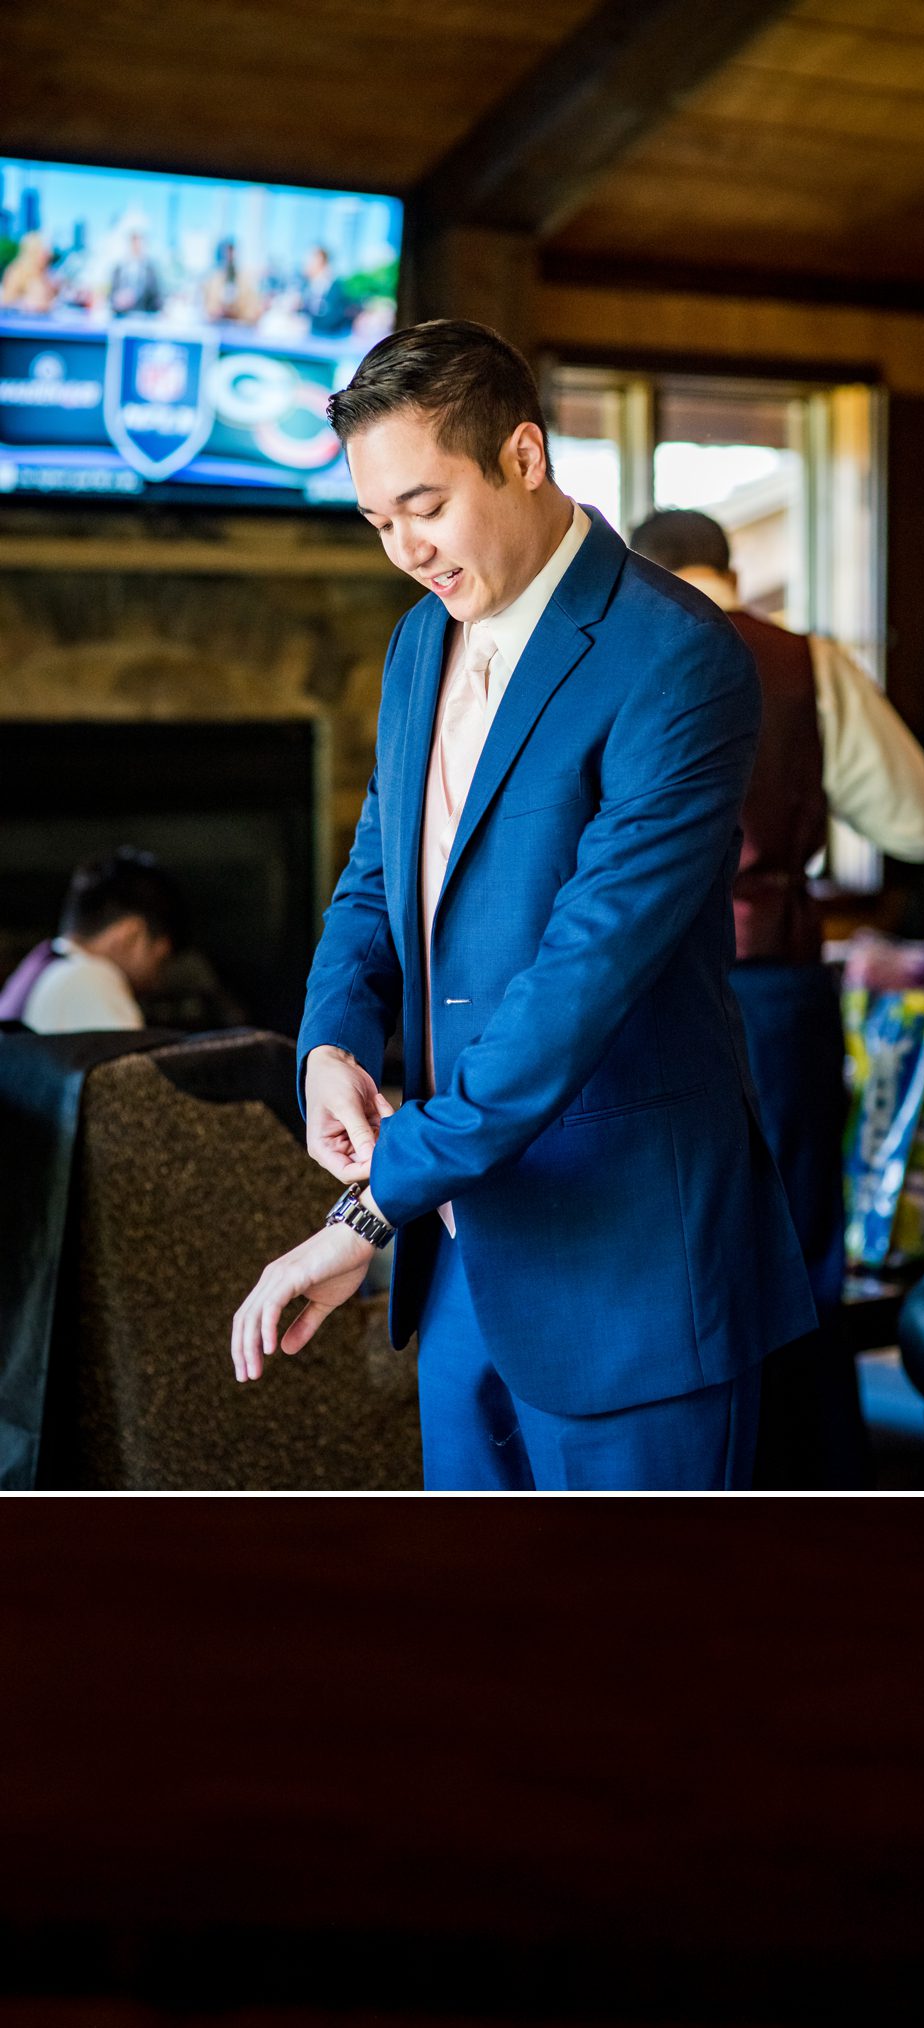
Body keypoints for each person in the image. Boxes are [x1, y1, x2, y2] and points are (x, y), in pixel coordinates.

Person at [228, 320, 811, 1490]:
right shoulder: (411, 646)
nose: (404, 550)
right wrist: (330, 1038)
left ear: (525, 457)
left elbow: (581, 978)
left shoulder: (677, 660)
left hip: (631, 1279)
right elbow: (376, 875)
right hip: (462, 1272)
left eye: (424, 507)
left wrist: (363, 1216)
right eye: (377, 522)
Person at [630, 502, 924, 1479]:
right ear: (728, 567)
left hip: (638, 995)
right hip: (774, 990)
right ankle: (815, 1468)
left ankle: (692, 1466)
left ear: (644, 569)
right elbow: (919, 824)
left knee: (667, 1238)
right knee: (802, 1247)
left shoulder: (614, 653)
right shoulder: (805, 663)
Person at [1, 850, 184, 1033]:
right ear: (130, 936)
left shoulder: (43, 966)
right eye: (161, 959)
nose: (157, 980)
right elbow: (131, 1063)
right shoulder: (89, 978)